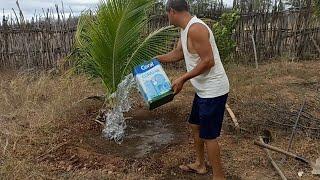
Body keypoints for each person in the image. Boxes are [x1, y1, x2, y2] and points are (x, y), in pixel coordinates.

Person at [155, 0, 230, 179]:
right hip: (202, 89)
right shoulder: (185, 29)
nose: (167, 17)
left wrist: (183, 78)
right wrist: (156, 59)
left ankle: (219, 176)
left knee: (209, 135)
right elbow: (178, 54)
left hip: (213, 90)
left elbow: (208, 61)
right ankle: (200, 164)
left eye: (167, 13)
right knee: (195, 125)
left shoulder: (196, 28)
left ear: (172, 11)